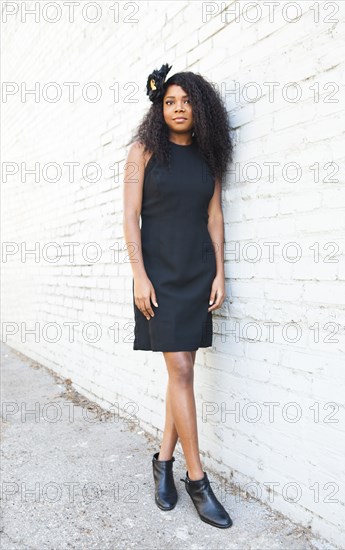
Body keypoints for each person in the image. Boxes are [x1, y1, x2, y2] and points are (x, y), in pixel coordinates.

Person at [123, 63, 234, 529]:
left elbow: (214, 219)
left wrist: (221, 273)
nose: (178, 108)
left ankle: (163, 462)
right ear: (159, 108)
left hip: (196, 273)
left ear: (199, 106)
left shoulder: (207, 160)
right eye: (170, 101)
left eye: (186, 101)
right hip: (159, 277)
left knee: (180, 371)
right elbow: (129, 217)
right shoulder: (143, 150)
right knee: (183, 369)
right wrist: (138, 276)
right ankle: (197, 479)